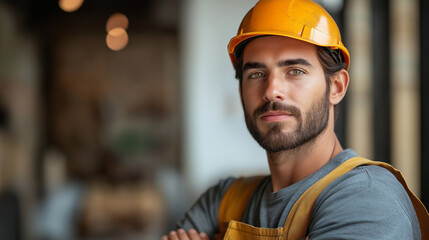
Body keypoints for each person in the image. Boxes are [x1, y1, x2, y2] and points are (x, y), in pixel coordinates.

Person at [162, 0, 429, 239]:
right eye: (256, 74)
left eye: (295, 71)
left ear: (336, 87)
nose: (271, 91)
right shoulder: (223, 200)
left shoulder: (369, 198)